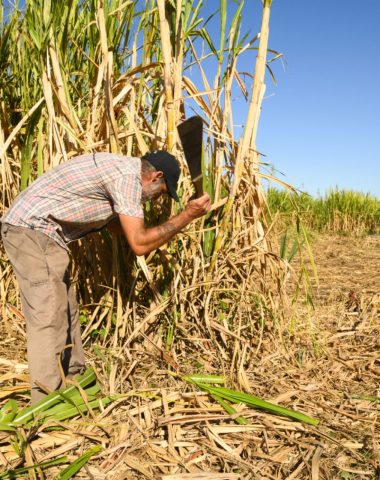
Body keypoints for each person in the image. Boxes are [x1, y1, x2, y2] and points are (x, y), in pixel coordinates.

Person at [1, 150, 211, 403]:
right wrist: (187, 216)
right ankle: (44, 402)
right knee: (48, 314)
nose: (156, 200)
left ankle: (75, 381)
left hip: (47, 235)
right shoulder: (126, 178)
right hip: (32, 230)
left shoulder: (121, 174)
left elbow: (117, 227)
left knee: (67, 310)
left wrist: (167, 224)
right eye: (162, 192)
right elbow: (139, 245)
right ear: (155, 176)